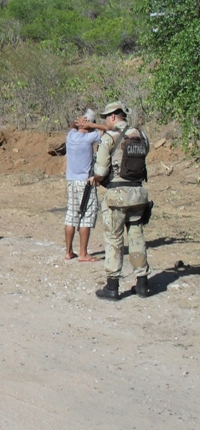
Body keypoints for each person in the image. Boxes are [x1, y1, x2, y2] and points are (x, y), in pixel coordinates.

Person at [89, 101, 153, 300]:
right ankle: (142, 284)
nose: (105, 122)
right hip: (138, 194)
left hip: (117, 196)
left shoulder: (110, 138)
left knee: (114, 240)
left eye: (106, 118)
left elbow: (101, 170)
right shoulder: (141, 135)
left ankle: (112, 286)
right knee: (136, 237)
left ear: (113, 116)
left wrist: (96, 179)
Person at [63, 109, 103, 262]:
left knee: (71, 215)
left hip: (71, 180)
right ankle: (83, 253)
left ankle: (68, 252)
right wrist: (92, 125)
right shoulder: (89, 138)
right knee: (86, 216)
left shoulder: (71, 135)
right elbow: (108, 129)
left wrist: (79, 122)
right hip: (85, 182)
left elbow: (73, 126)